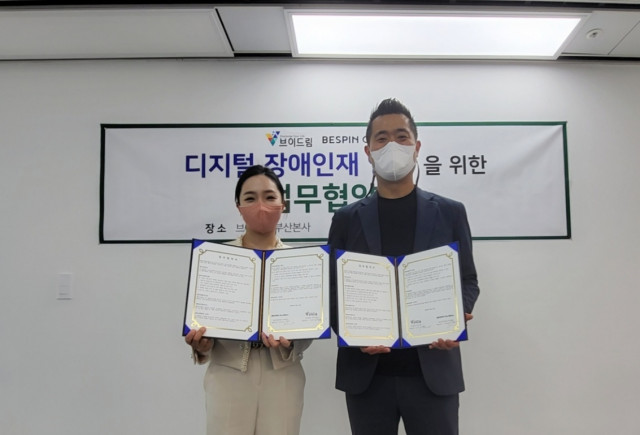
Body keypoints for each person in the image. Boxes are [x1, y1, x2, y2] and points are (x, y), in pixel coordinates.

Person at [328, 98, 480, 435]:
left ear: (417, 147)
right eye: (381, 139)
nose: (392, 146)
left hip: (433, 372)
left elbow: (468, 279)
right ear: (368, 151)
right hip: (367, 375)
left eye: (401, 137)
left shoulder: (450, 212)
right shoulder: (346, 218)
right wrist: (351, 333)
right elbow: (331, 290)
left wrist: (457, 315)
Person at [185, 164, 311, 435]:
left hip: (283, 374)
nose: (261, 206)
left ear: (283, 204)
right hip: (229, 373)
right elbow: (203, 322)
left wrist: (292, 342)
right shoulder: (215, 259)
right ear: (239, 206)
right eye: (250, 198)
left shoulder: (302, 263)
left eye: (269, 196)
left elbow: (311, 324)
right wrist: (202, 345)